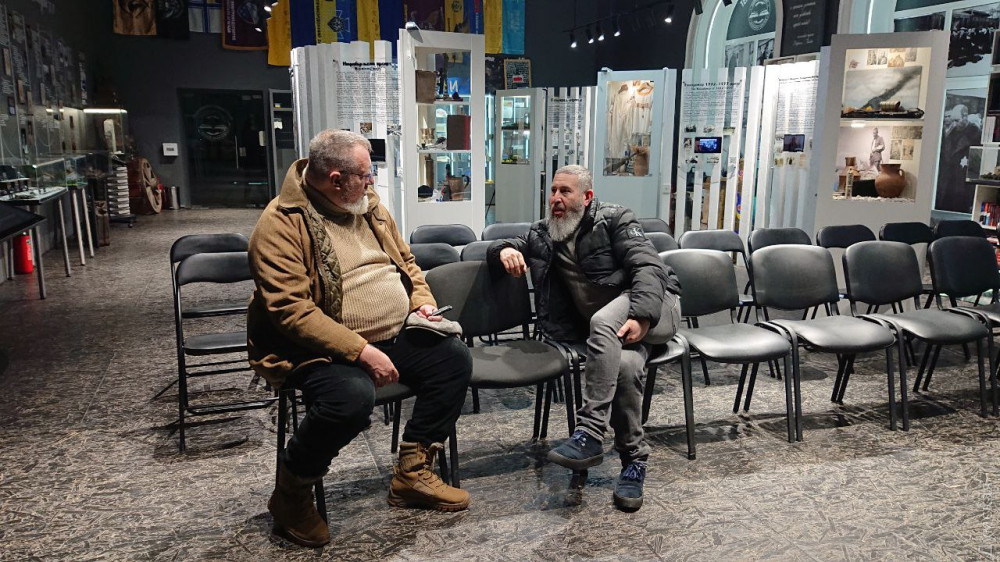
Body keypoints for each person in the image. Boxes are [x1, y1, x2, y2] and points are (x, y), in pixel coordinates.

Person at [247, 129, 472, 547]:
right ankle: (291, 494)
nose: (372, 182)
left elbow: (407, 262)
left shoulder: (368, 205)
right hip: (314, 348)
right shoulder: (281, 224)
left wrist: (421, 302)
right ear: (336, 180)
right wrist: (361, 350)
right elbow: (291, 311)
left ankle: (412, 472)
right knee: (349, 398)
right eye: (366, 175)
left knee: (452, 359)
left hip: (391, 332)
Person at [487, 165, 681, 512]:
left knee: (603, 320)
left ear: (587, 197)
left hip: (656, 307)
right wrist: (502, 250)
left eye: (565, 191)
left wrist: (642, 315)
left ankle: (590, 431)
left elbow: (649, 268)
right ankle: (634, 461)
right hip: (614, 335)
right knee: (625, 367)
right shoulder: (544, 233)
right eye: (553, 191)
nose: (556, 199)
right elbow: (511, 245)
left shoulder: (616, 219)